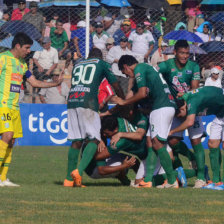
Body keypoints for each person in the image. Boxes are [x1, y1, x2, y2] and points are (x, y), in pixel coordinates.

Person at [0, 32, 62, 187]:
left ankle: (3, 178)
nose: (29, 51)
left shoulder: (22, 64)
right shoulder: (3, 58)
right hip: (3, 106)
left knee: (12, 140)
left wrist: (54, 84)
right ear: (17, 46)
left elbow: (34, 82)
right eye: (27, 48)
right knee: (7, 136)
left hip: (14, 107)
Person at [113, 55, 178, 188]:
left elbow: (142, 93)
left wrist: (124, 102)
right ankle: (148, 180)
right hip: (163, 106)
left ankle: (172, 180)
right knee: (150, 141)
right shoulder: (146, 69)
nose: (127, 75)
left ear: (125, 67)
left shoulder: (140, 68)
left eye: (124, 72)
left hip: (161, 107)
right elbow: (137, 92)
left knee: (158, 144)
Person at [63, 48, 124, 187]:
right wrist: (124, 99)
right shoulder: (102, 64)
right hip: (88, 102)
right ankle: (78, 172)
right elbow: (115, 84)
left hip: (72, 101)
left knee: (77, 140)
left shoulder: (78, 64)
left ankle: (68, 180)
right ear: (100, 57)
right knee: (95, 139)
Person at [158, 40, 206, 188]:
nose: (185, 56)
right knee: (172, 141)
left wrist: (186, 103)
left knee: (196, 141)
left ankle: (201, 177)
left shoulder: (194, 66)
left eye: (187, 53)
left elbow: (194, 89)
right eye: (182, 53)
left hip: (191, 106)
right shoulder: (166, 65)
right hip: (175, 108)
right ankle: (190, 159)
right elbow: (154, 76)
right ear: (175, 53)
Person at [170, 86, 224, 189]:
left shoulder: (192, 102)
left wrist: (172, 131)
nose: (180, 118)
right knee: (212, 144)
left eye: (180, 115)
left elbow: (189, 122)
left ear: (183, 108)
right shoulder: (187, 98)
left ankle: (219, 181)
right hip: (220, 114)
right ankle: (217, 181)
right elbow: (187, 94)